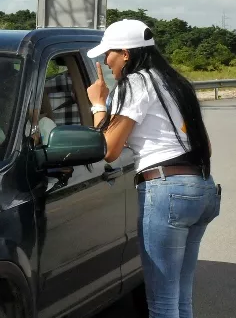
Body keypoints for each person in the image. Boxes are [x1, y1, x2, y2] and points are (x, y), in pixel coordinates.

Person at [86, 19, 221, 318]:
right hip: (202, 189)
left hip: (166, 192)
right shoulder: (177, 83)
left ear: (125, 53)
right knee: (180, 299)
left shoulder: (134, 83)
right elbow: (205, 147)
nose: (105, 61)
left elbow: (107, 150)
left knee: (162, 304)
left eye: (108, 54)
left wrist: (98, 105)